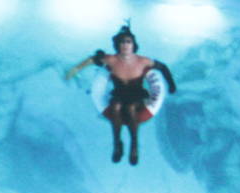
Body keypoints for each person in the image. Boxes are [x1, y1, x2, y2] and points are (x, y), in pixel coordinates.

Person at [65, 24, 176, 165]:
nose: (125, 45)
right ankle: (117, 144)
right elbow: (93, 60)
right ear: (117, 44)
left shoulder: (143, 61)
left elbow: (163, 67)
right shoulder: (111, 59)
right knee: (116, 106)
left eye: (128, 42)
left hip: (137, 96)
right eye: (122, 42)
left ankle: (134, 146)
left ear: (133, 45)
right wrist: (76, 69)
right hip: (119, 95)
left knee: (130, 107)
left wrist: (171, 84)